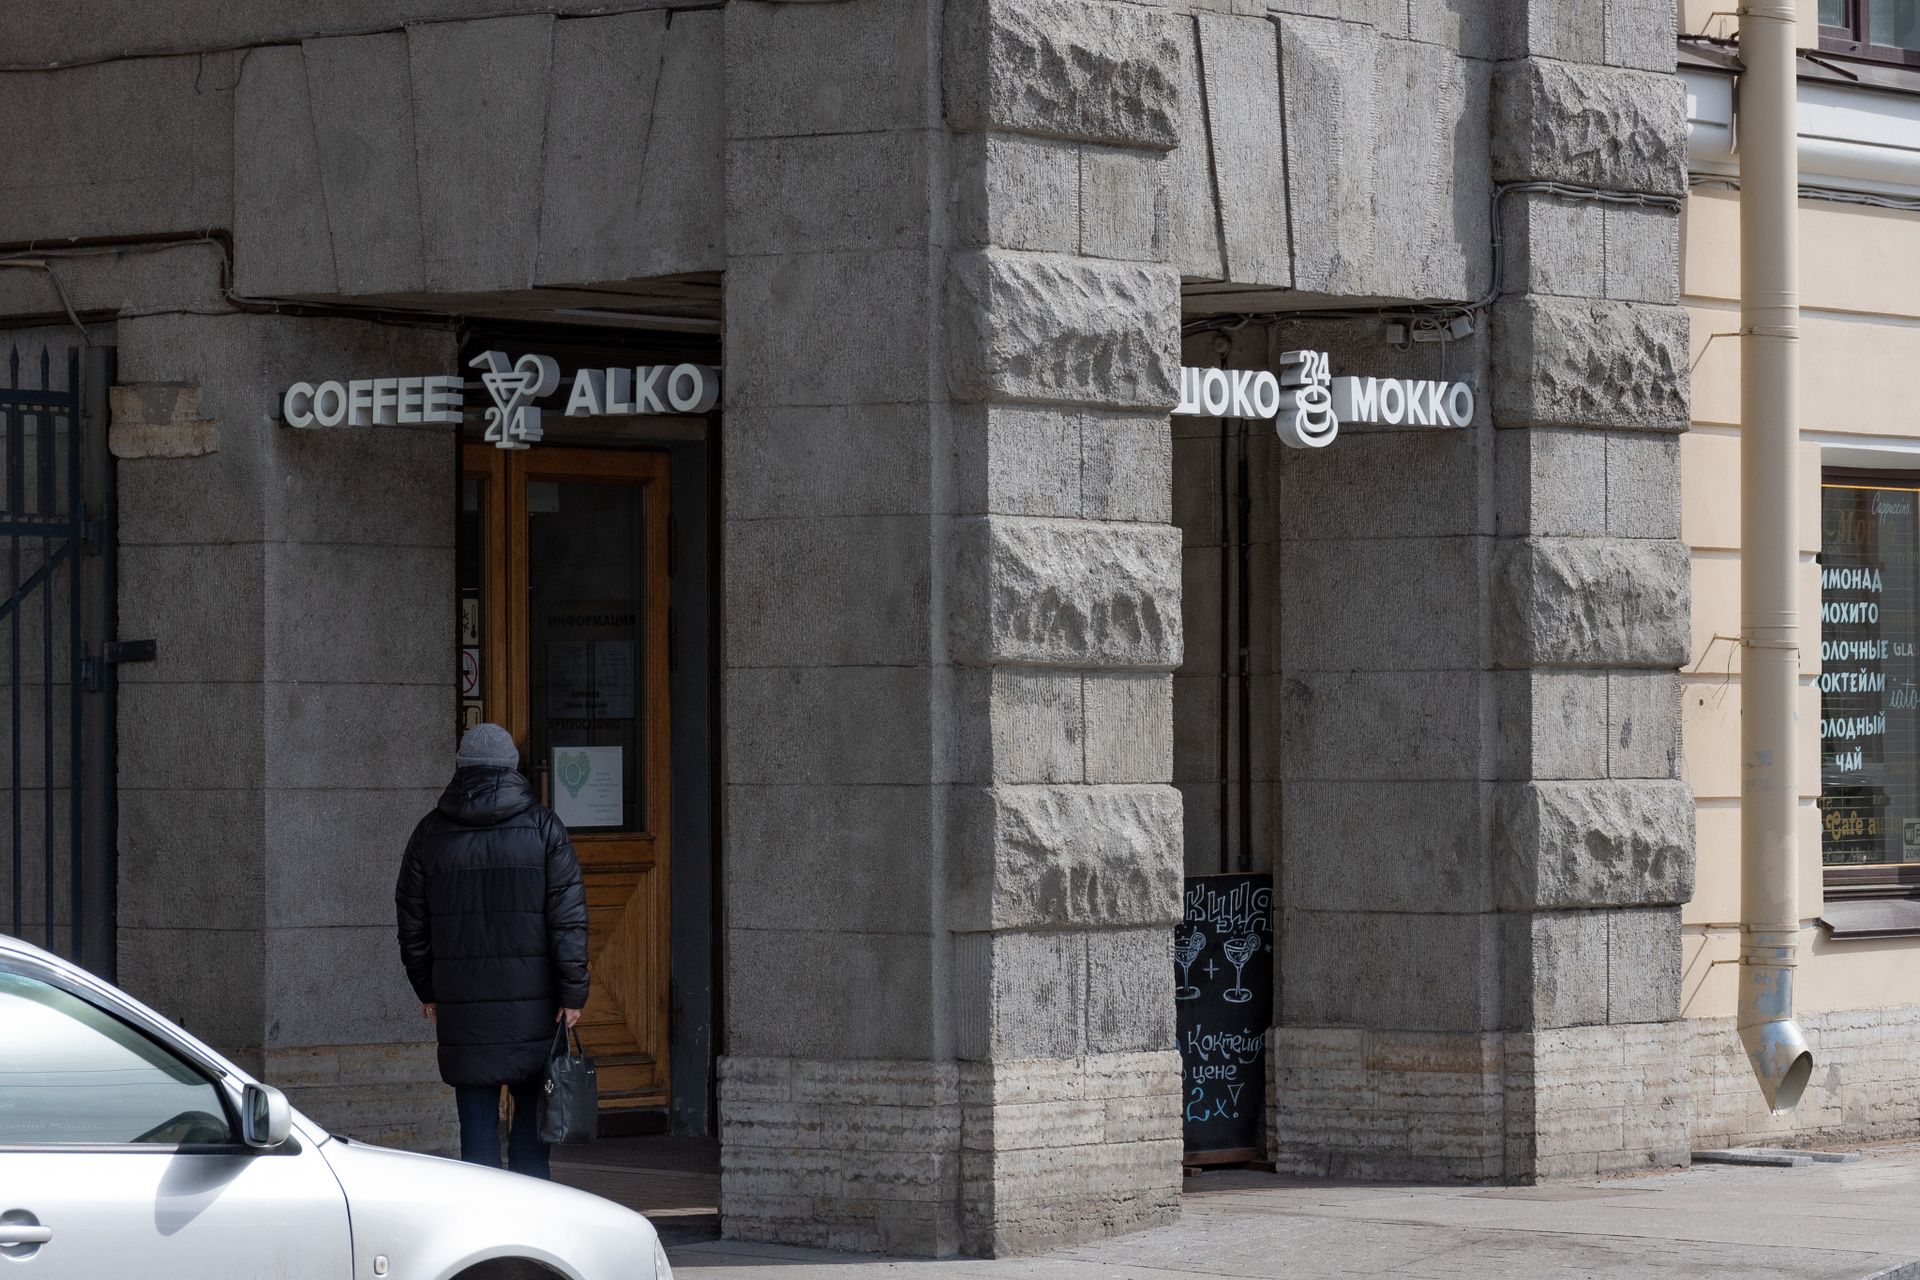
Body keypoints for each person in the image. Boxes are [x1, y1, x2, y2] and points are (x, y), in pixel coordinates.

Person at [396, 723, 589, 1178]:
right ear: (512, 768)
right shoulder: (545, 828)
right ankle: (531, 1214)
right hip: (534, 1007)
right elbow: (568, 921)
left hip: (463, 1008)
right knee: (533, 1122)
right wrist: (572, 993)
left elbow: (412, 922)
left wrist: (427, 988)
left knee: (477, 1129)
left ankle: (483, 1217)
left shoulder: (430, 834)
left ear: (462, 767)